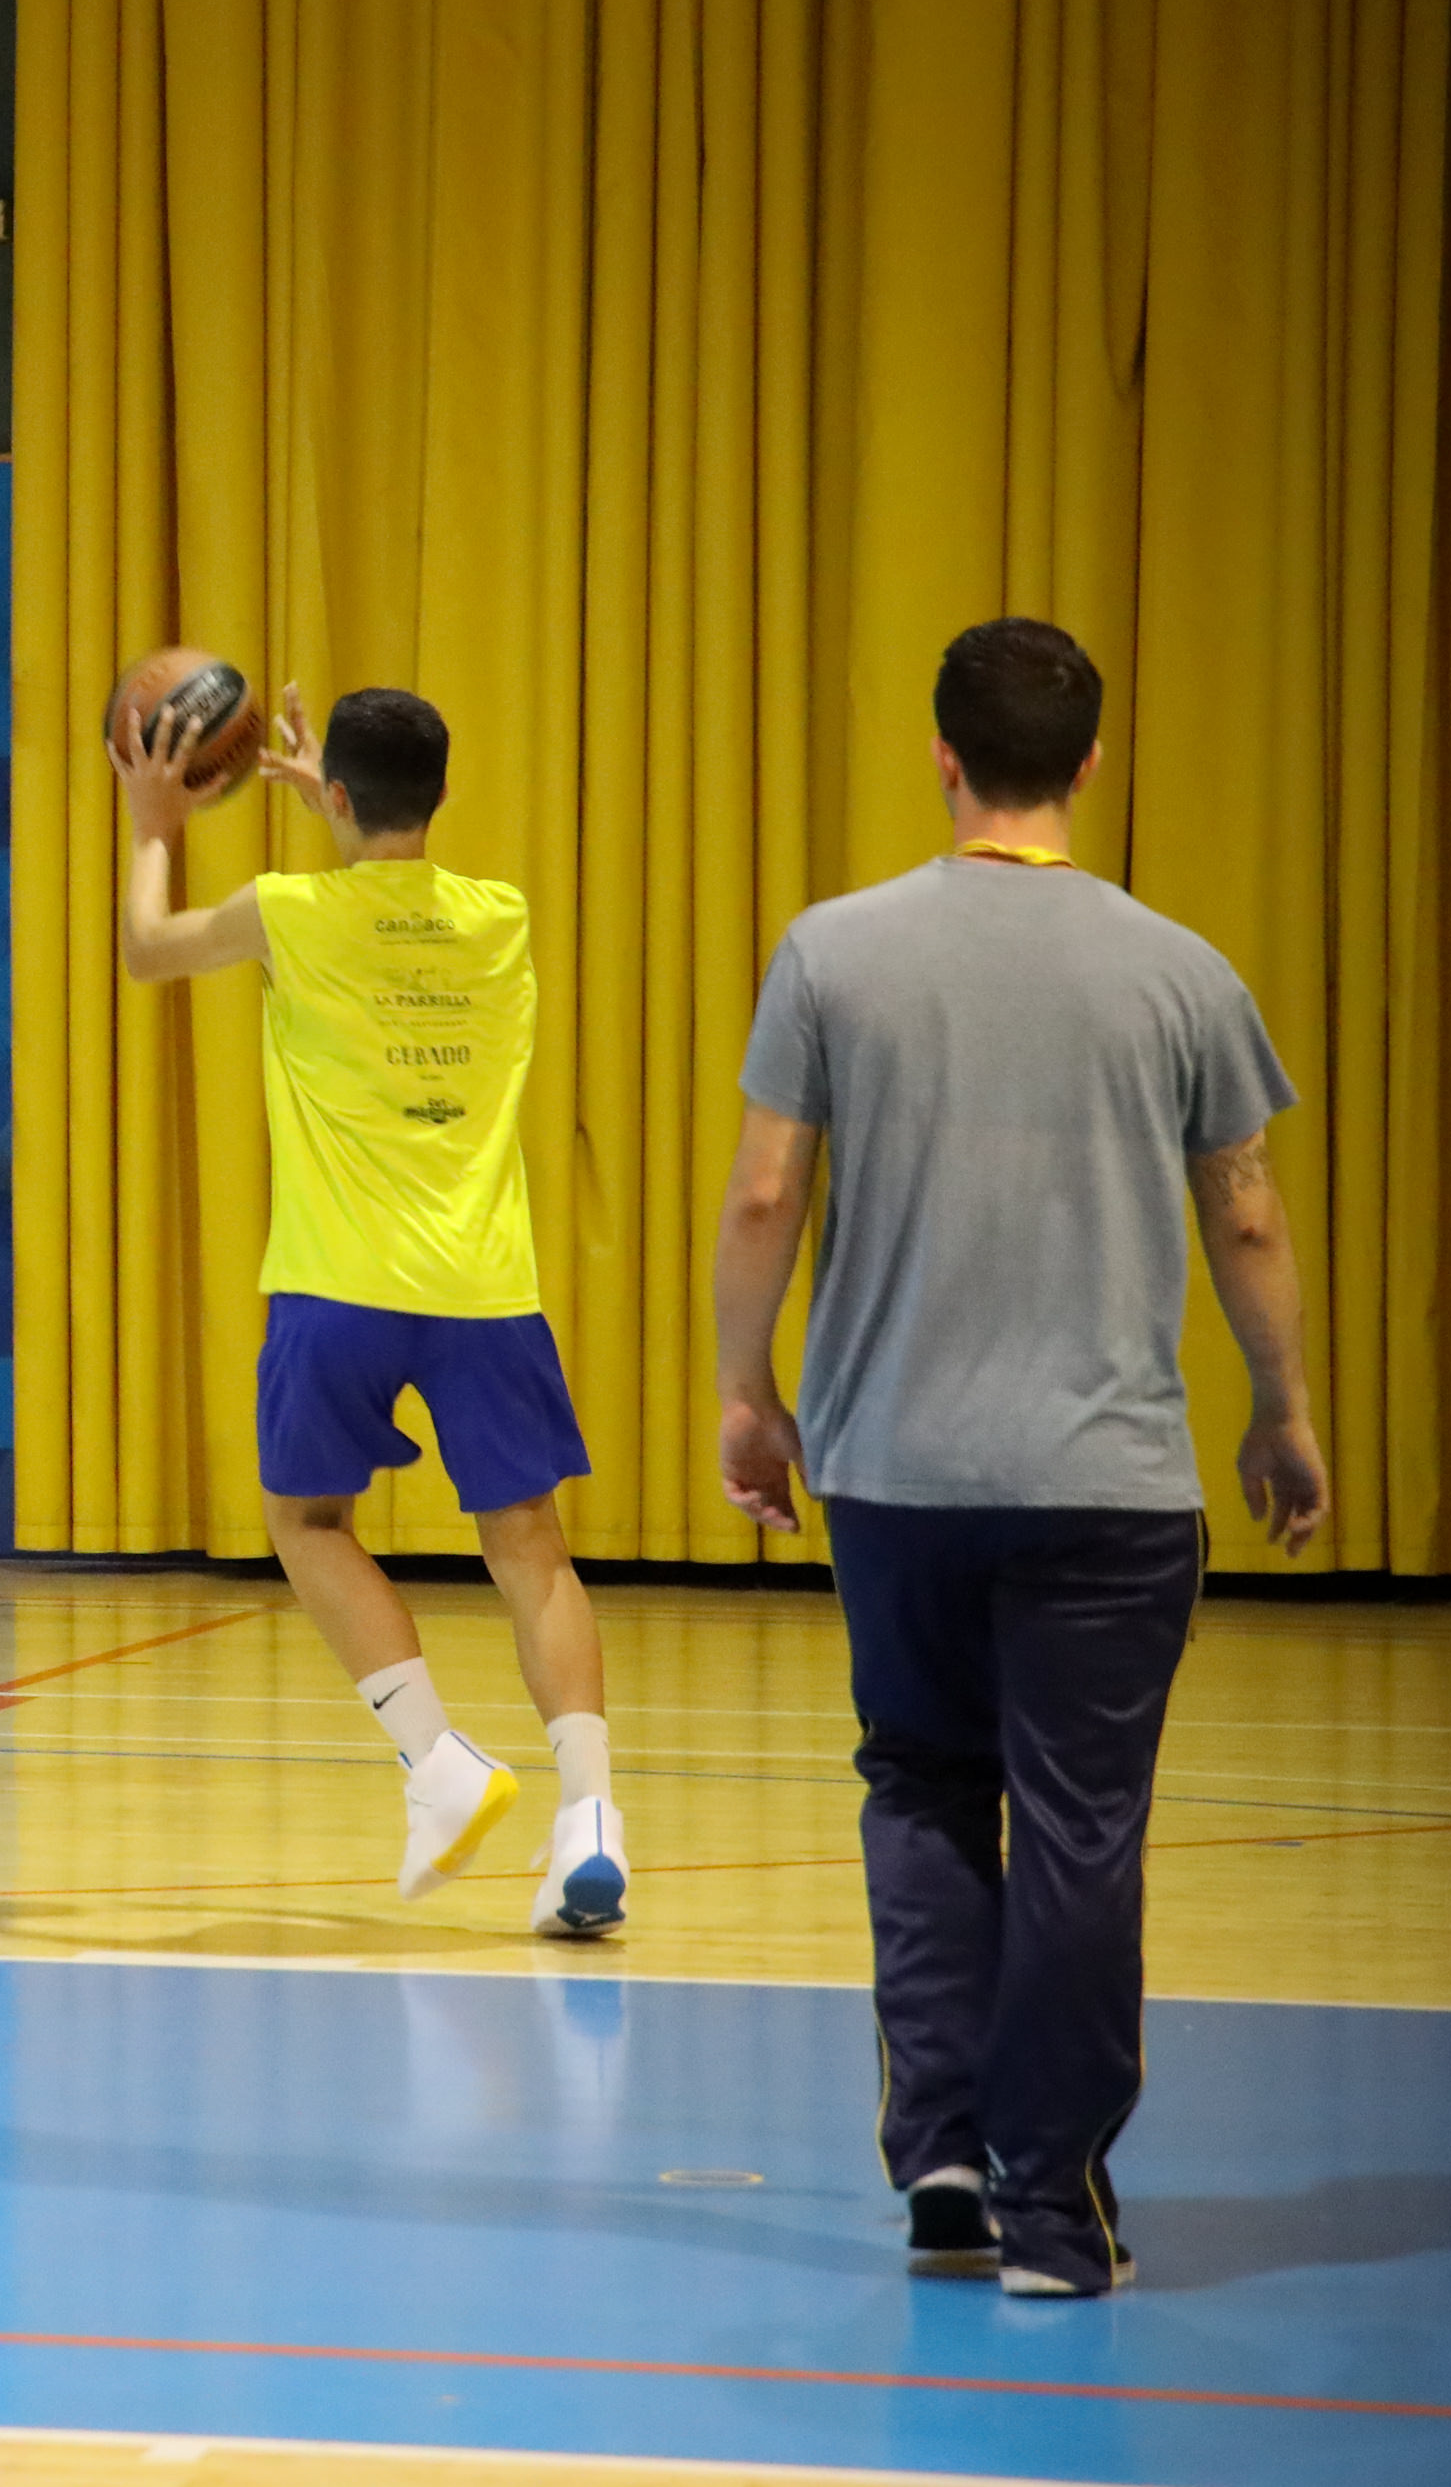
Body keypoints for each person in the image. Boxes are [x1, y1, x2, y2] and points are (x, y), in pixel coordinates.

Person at [712, 615, 1323, 2298]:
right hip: (1109, 1485)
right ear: (1091, 762)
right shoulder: (1181, 969)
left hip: (893, 1471)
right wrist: (1281, 1406)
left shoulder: (831, 952)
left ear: (940, 754)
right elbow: (1246, 1214)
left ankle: (942, 2155)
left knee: (919, 1783)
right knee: (1077, 1830)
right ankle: (1052, 2209)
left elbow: (764, 1194)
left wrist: (746, 1391)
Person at [105, 662, 625, 1934]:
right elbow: (390, 899)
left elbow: (145, 950)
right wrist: (340, 810)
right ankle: (589, 1819)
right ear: (438, 792)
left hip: (336, 1284)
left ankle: (437, 1762)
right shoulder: (497, 915)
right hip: (482, 1284)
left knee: (306, 1521)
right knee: (529, 1548)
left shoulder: (286, 909)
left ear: (330, 794)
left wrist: (154, 826)